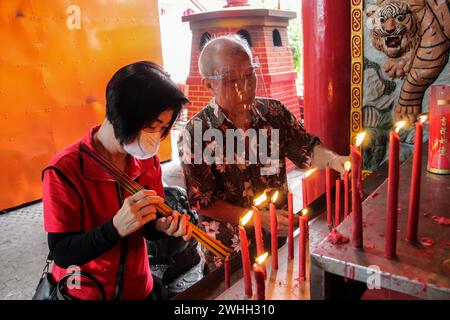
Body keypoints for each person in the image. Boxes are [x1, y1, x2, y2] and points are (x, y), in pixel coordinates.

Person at [177, 35, 348, 271]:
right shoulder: (196, 133)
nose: (245, 88)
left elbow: (306, 148)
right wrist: (260, 219)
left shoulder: (274, 113)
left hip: (279, 237)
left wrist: (335, 159)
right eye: (231, 80)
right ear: (209, 84)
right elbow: (203, 201)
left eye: (249, 75)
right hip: (232, 249)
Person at [42, 61, 192, 300]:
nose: (155, 138)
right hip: (87, 294)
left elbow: (148, 227)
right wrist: (114, 229)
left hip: (139, 288)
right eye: (150, 125)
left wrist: (162, 226)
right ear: (120, 114)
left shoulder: (146, 160)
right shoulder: (65, 170)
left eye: (163, 128)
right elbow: (62, 252)